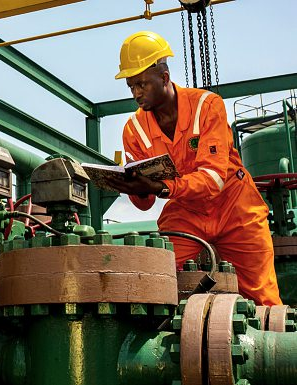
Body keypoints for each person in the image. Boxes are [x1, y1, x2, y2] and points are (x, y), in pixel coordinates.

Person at [107, 30, 282, 306]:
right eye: (131, 86)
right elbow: (145, 203)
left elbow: (213, 179)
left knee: (264, 299)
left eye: (142, 84)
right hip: (186, 211)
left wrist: (162, 187)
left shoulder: (207, 105)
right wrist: (134, 188)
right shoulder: (134, 130)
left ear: (164, 77)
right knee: (157, 281)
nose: (136, 93)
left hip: (235, 206)